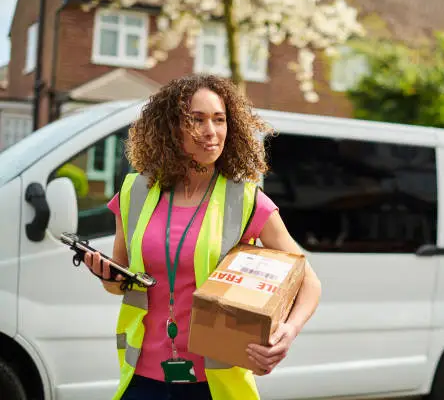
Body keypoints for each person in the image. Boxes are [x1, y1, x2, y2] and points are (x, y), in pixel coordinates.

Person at [83, 74, 322, 400]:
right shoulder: (134, 192)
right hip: (141, 379)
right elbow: (119, 284)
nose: (212, 132)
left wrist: (287, 332)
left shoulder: (246, 199)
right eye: (197, 120)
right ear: (171, 128)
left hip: (214, 385)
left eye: (219, 120)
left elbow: (309, 282)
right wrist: (109, 276)